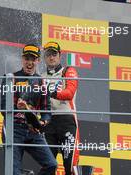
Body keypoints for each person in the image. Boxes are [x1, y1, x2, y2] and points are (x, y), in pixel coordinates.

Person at [0, 44, 57, 175]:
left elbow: (46, 111)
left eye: (33, 58)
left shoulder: (41, 82)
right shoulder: (10, 78)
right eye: (27, 58)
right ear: (22, 59)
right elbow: (4, 109)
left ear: (38, 61)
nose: (29, 62)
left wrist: (41, 123)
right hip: (13, 129)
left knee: (51, 165)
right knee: (14, 171)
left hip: (33, 131)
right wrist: (20, 109)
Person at [41, 41, 80, 175]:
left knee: (70, 166)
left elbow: (69, 93)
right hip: (48, 123)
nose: (51, 57)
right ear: (44, 57)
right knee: (49, 165)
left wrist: (50, 93)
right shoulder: (41, 77)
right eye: (48, 54)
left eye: (54, 54)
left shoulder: (68, 71)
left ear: (60, 55)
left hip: (66, 121)